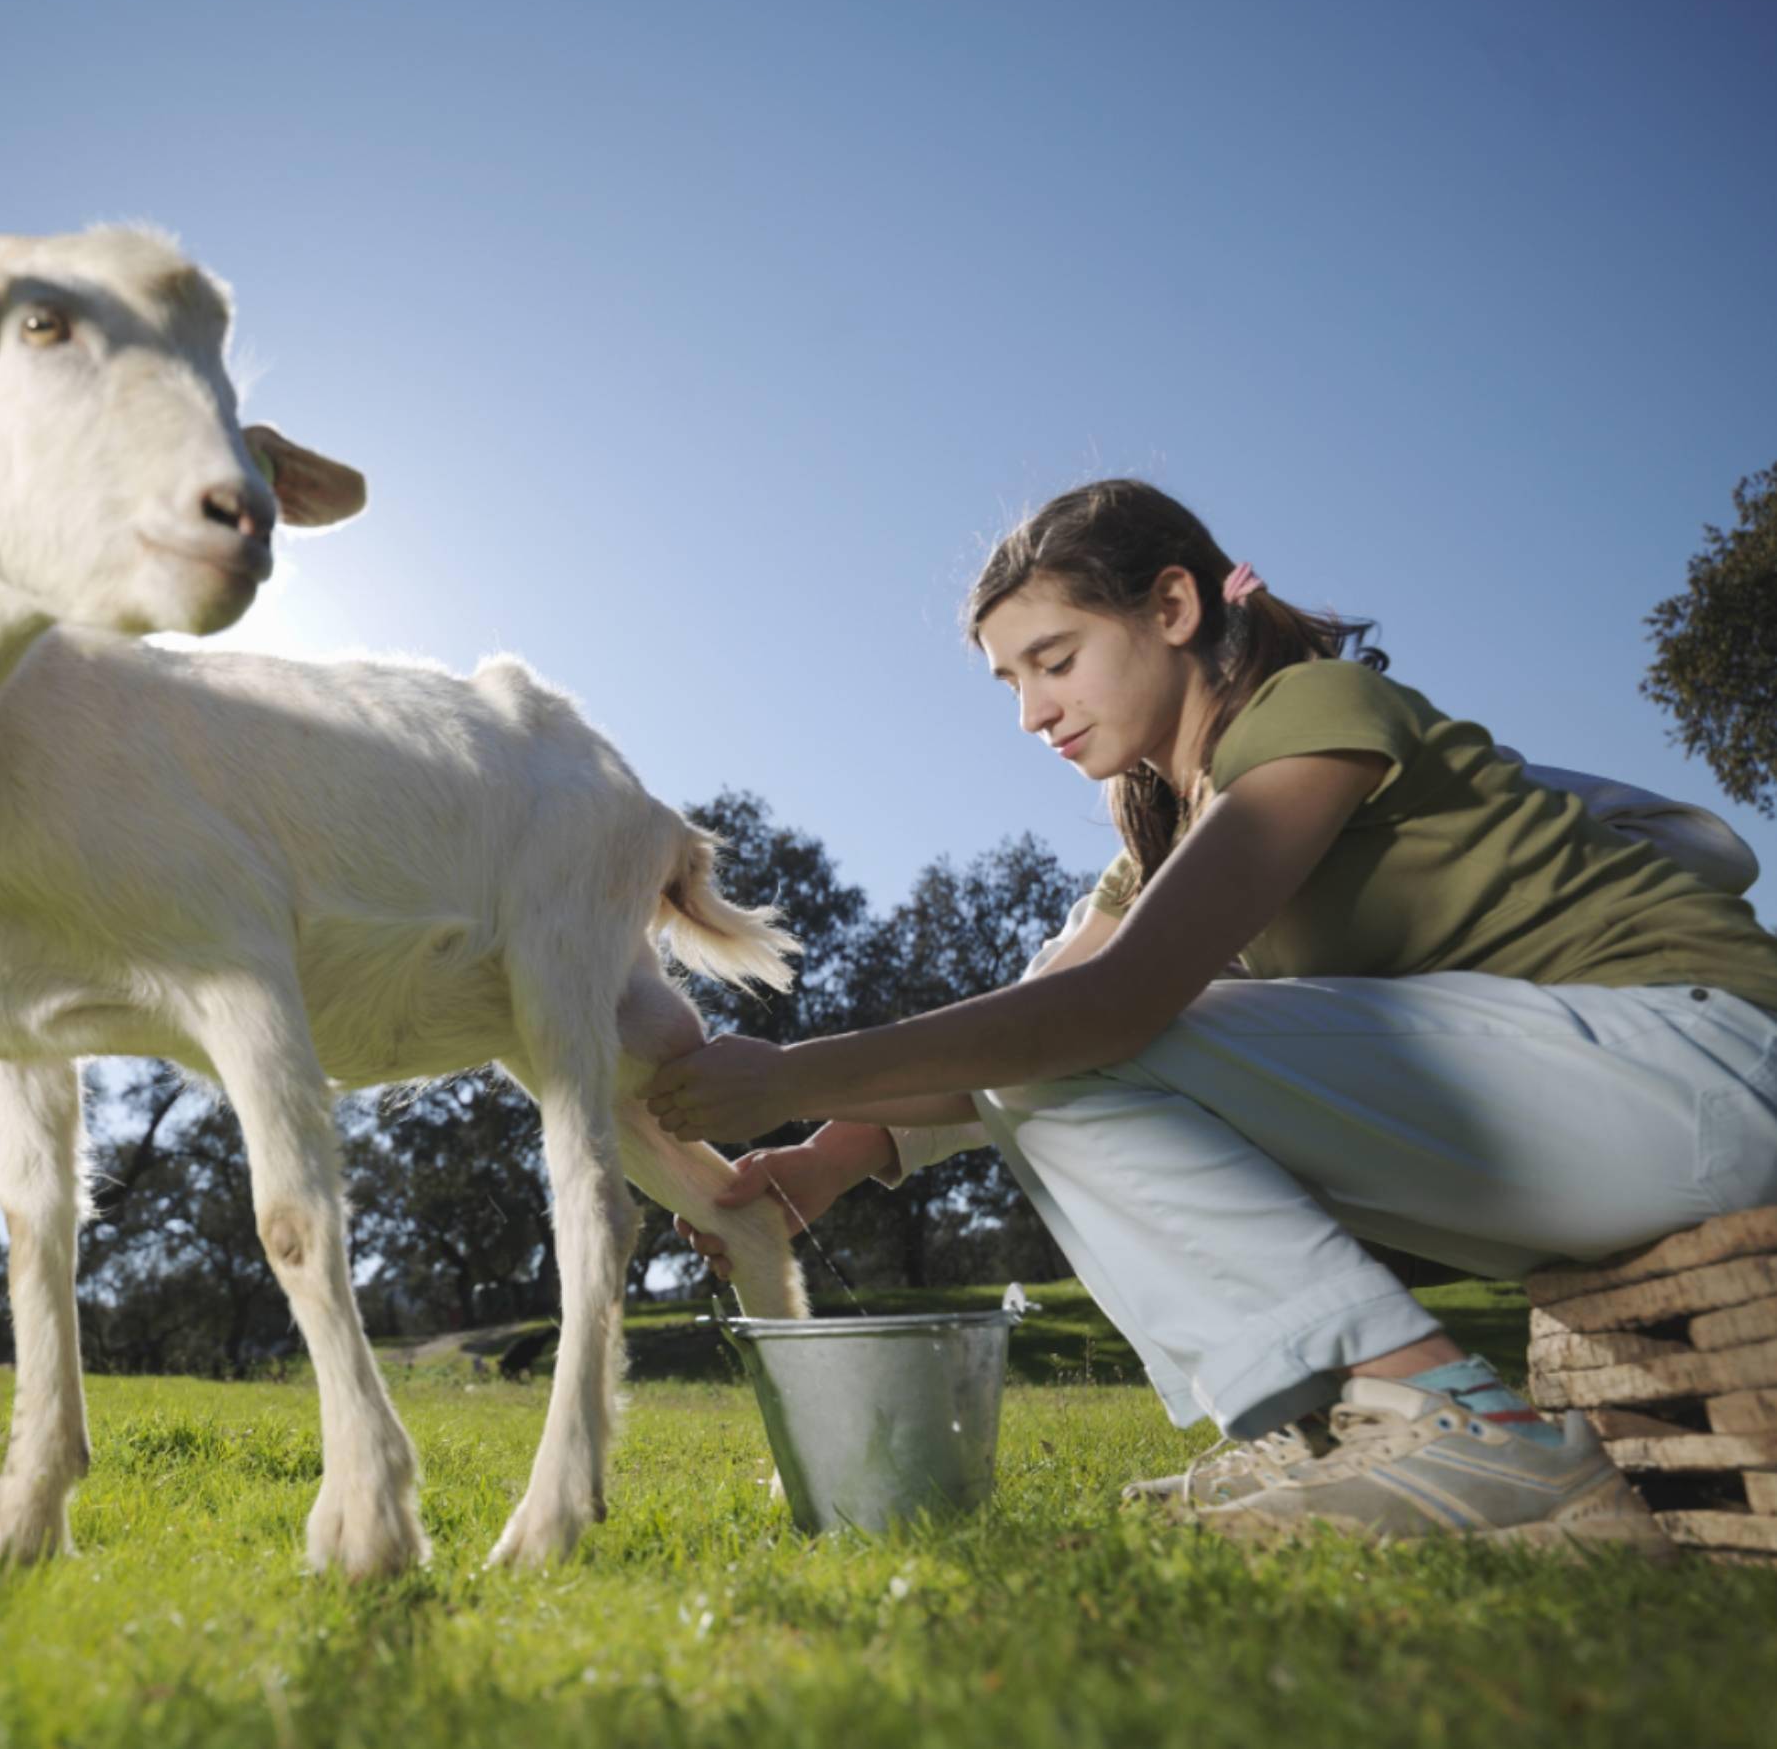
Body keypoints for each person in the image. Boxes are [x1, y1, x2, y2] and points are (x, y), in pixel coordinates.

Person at [647, 478, 1777, 1549]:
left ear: (1173, 606)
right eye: (1010, 683)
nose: (1034, 711)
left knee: (1088, 1027)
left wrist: (791, 1070)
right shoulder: (1168, 843)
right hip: (1585, 1131)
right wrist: (828, 1159)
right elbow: (1034, 1037)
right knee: (1051, 1028)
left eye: (1055, 660)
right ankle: (1339, 1424)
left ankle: (1451, 1418)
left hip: (1706, 1068)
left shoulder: (1316, 712)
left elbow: (1106, 1014)